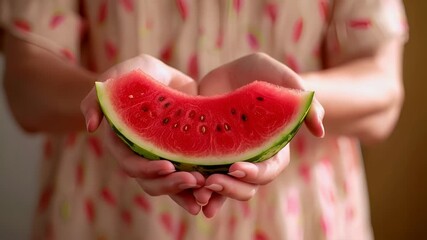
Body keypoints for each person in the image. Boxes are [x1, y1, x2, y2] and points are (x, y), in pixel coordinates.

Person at [0, 0, 407, 239]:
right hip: (109, 218)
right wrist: (108, 99)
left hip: (299, 221)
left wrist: (290, 102)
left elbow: (383, 91)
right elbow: (25, 87)